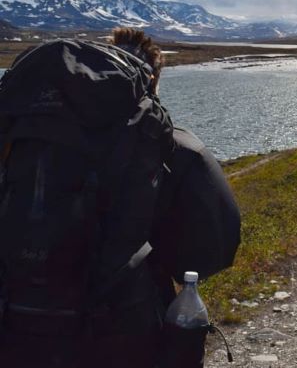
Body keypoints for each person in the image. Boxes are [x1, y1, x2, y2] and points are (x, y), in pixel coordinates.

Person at [0, 28, 241, 368]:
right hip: (120, 336)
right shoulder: (169, 147)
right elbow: (208, 256)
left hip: (12, 328)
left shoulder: (18, 134)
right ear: (151, 82)